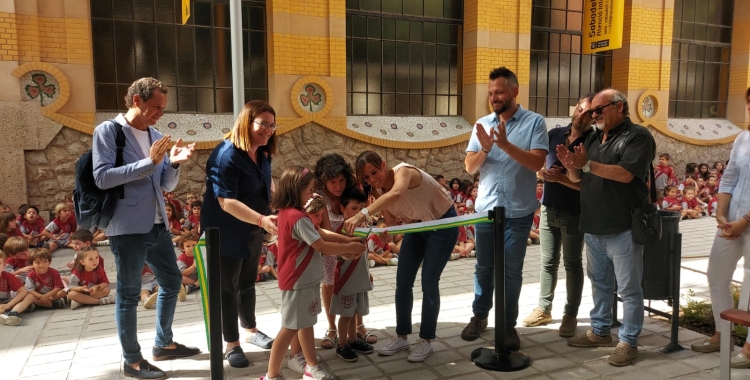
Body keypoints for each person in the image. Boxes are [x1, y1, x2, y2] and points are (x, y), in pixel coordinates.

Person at [92, 77, 199, 379]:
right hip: (126, 227)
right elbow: (102, 178)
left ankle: (163, 344)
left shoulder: (154, 134)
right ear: (136, 101)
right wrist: (149, 162)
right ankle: (132, 361)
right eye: (155, 107)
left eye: (163, 109)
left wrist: (174, 164)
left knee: (171, 280)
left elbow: (164, 182)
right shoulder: (109, 132)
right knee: (128, 295)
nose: (160, 114)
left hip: (157, 224)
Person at [557, 88, 656, 366]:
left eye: (599, 109)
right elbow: (579, 178)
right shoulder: (592, 136)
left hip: (623, 226)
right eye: (591, 111)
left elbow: (625, 174)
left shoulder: (638, 137)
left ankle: (628, 341)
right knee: (599, 283)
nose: (594, 115)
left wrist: (586, 165)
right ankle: (600, 331)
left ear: (620, 107)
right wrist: (571, 166)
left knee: (628, 289)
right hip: (593, 226)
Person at [460, 67, 548, 350]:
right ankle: (479, 316)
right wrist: (486, 149)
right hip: (486, 210)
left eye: (499, 92)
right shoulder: (482, 124)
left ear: (514, 91)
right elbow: (469, 167)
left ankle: (508, 326)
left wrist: (506, 145)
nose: (494, 97)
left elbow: (537, 164)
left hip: (518, 212)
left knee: (511, 271)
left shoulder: (535, 123)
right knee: (483, 267)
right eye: (490, 93)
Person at [343, 151, 459, 363]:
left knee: (429, 282)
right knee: (403, 282)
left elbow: (396, 194)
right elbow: (393, 223)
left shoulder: (403, 171)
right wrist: (385, 228)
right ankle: (402, 336)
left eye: (374, 172)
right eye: (367, 177)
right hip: (415, 227)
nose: (372, 179)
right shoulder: (378, 191)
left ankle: (426, 340)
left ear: (384, 165)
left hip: (442, 223)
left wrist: (362, 214)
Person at [263, 166, 365, 380]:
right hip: (298, 280)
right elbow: (321, 245)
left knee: (305, 322)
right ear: (296, 189)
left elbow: (320, 232)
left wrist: (346, 240)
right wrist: (349, 249)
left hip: (305, 279)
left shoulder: (294, 214)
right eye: (310, 190)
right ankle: (272, 375)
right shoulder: (297, 217)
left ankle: (311, 365)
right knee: (289, 328)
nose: (313, 195)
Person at [201, 100, 278, 369]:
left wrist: (282, 202)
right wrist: (261, 218)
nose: (268, 129)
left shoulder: (263, 152)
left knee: (248, 282)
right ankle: (231, 344)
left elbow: (267, 181)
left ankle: (251, 329)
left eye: (271, 124)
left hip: (254, 229)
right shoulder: (226, 155)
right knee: (227, 288)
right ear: (247, 122)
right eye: (262, 123)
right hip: (226, 231)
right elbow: (226, 202)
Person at [521, 94, 594, 337]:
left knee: (572, 264)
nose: (581, 116)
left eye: (588, 113)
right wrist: (541, 173)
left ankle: (570, 315)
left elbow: (588, 186)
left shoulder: (593, 142)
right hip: (549, 207)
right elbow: (540, 163)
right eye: (580, 109)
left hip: (575, 212)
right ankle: (544, 308)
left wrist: (563, 177)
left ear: (594, 118)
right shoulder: (554, 134)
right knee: (548, 263)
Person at [690, 87, 750, 368]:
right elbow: (729, 178)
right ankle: (721, 334)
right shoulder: (743, 138)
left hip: (747, 223)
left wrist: (744, 222)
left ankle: (749, 348)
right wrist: (721, 214)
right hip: (731, 222)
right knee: (716, 274)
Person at [313, 153, 376, 348]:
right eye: (332, 182)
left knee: (357, 285)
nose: (338, 186)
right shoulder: (318, 198)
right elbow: (320, 228)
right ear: (323, 181)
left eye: (341, 180)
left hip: (355, 248)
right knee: (329, 285)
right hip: (330, 249)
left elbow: (365, 216)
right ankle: (332, 327)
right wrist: (340, 246)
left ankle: (359, 325)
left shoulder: (352, 192)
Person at [332, 187, 374, 363]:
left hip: (360, 279)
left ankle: (353, 340)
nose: (358, 213)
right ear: (343, 209)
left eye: (361, 209)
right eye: (353, 209)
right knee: (346, 314)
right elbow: (334, 252)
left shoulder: (363, 228)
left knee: (355, 311)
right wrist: (344, 254)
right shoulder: (342, 230)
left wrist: (368, 272)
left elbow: (364, 254)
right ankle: (342, 345)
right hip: (346, 281)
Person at [0, 246, 34, 325]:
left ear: (4, 265)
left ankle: (12, 313)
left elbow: (23, 291)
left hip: (7, 301)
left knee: (30, 296)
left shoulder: (8, 276)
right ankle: (5, 314)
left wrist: (9, 305)